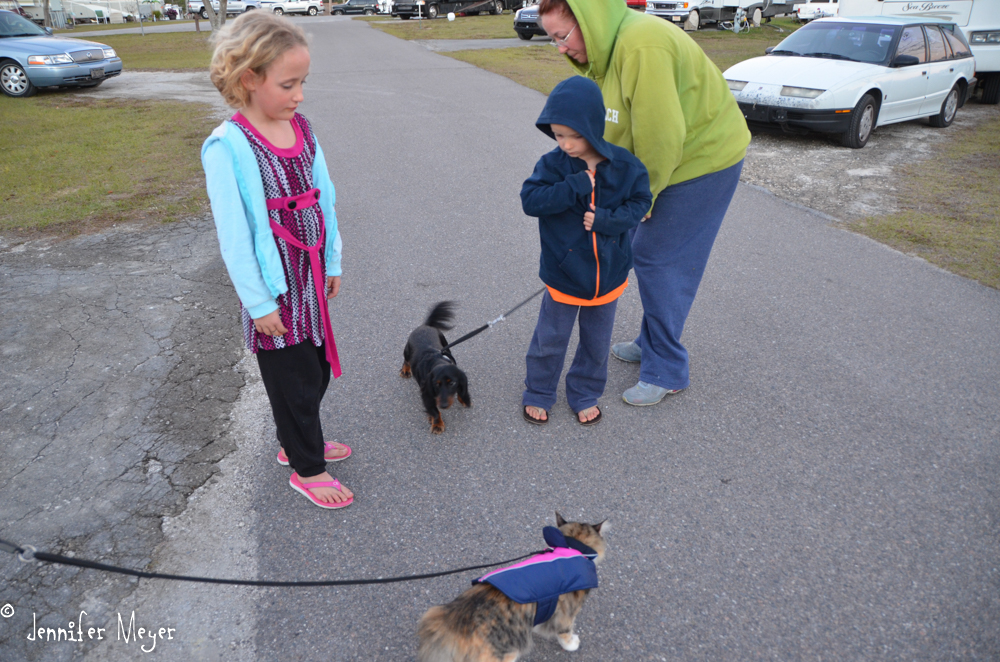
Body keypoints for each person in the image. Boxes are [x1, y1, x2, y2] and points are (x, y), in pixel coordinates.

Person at [539, 0, 751, 406]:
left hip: (701, 160)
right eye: (553, 41)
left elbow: (660, 134)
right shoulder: (600, 60)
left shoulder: (642, 46)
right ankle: (649, 340)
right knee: (635, 247)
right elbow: (616, 129)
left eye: (562, 37)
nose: (561, 49)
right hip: (663, 160)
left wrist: (642, 196)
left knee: (658, 258)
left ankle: (667, 368)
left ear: (589, 21)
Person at [202, 11, 353, 509]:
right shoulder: (228, 146)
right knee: (293, 380)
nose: (300, 95)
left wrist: (332, 261)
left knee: (317, 369)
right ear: (249, 78)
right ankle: (307, 467)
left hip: (309, 278)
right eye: (289, 84)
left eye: (303, 82)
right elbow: (234, 236)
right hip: (274, 289)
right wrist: (259, 302)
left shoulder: (302, 129)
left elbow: (324, 197)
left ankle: (297, 436)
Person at [521, 76, 652, 426]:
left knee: (596, 343)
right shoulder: (552, 166)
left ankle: (584, 393)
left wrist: (607, 221)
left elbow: (642, 201)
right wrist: (574, 185)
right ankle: (539, 392)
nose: (565, 144)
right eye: (558, 134)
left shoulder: (625, 166)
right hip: (563, 274)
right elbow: (530, 201)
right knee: (550, 340)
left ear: (594, 127)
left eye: (574, 135)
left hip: (608, 276)